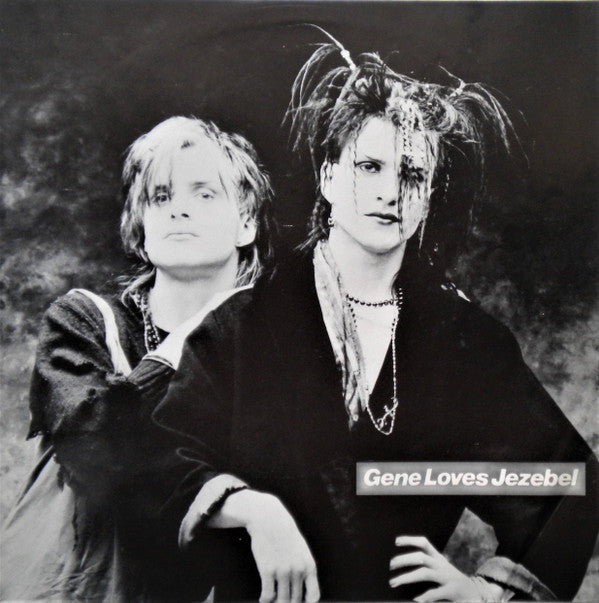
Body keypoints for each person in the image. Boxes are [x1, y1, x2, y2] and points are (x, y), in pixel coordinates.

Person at [154, 41, 599, 602]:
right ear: (328, 176)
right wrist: (252, 509)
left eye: (413, 174)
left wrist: (488, 592)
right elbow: (155, 462)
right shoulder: (240, 329)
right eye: (370, 167)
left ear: (428, 196)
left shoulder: (465, 343)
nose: (391, 192)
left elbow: (566, 483)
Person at [0, 116, 273, 601]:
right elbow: (96, 446)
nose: (178, 210)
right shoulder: (83, 319)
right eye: (160, 197)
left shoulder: (273, 350)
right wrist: (199, 331)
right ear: (141, 225)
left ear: (247, 222)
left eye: (204, 193)